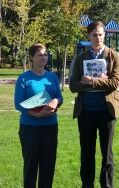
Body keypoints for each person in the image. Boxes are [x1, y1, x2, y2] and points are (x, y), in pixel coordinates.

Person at [69, 21, 119, 188]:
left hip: (106, 111)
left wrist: (91, 81)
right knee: (87, 153)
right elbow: (73, 86)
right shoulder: (79, 58)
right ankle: (87, 185)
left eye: (100, 34)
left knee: (107, 154)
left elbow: (114, 83)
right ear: (88, 36)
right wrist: (95, 82)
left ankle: (107, 185)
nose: (98, 38)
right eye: (94, 35)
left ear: (104, 35)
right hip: (85, 112)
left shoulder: (114, 56)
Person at [14, 43, 63, 187]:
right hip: (30, 127)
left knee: (48, 164)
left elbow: (60, 97)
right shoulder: (24, 78)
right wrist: (35, 115)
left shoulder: (52, 77)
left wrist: (55, 101)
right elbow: (18, 104)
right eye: (39, 55)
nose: (43, 57)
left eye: (45, 54)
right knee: (31, 164)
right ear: (31, 58)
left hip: (50, 126)